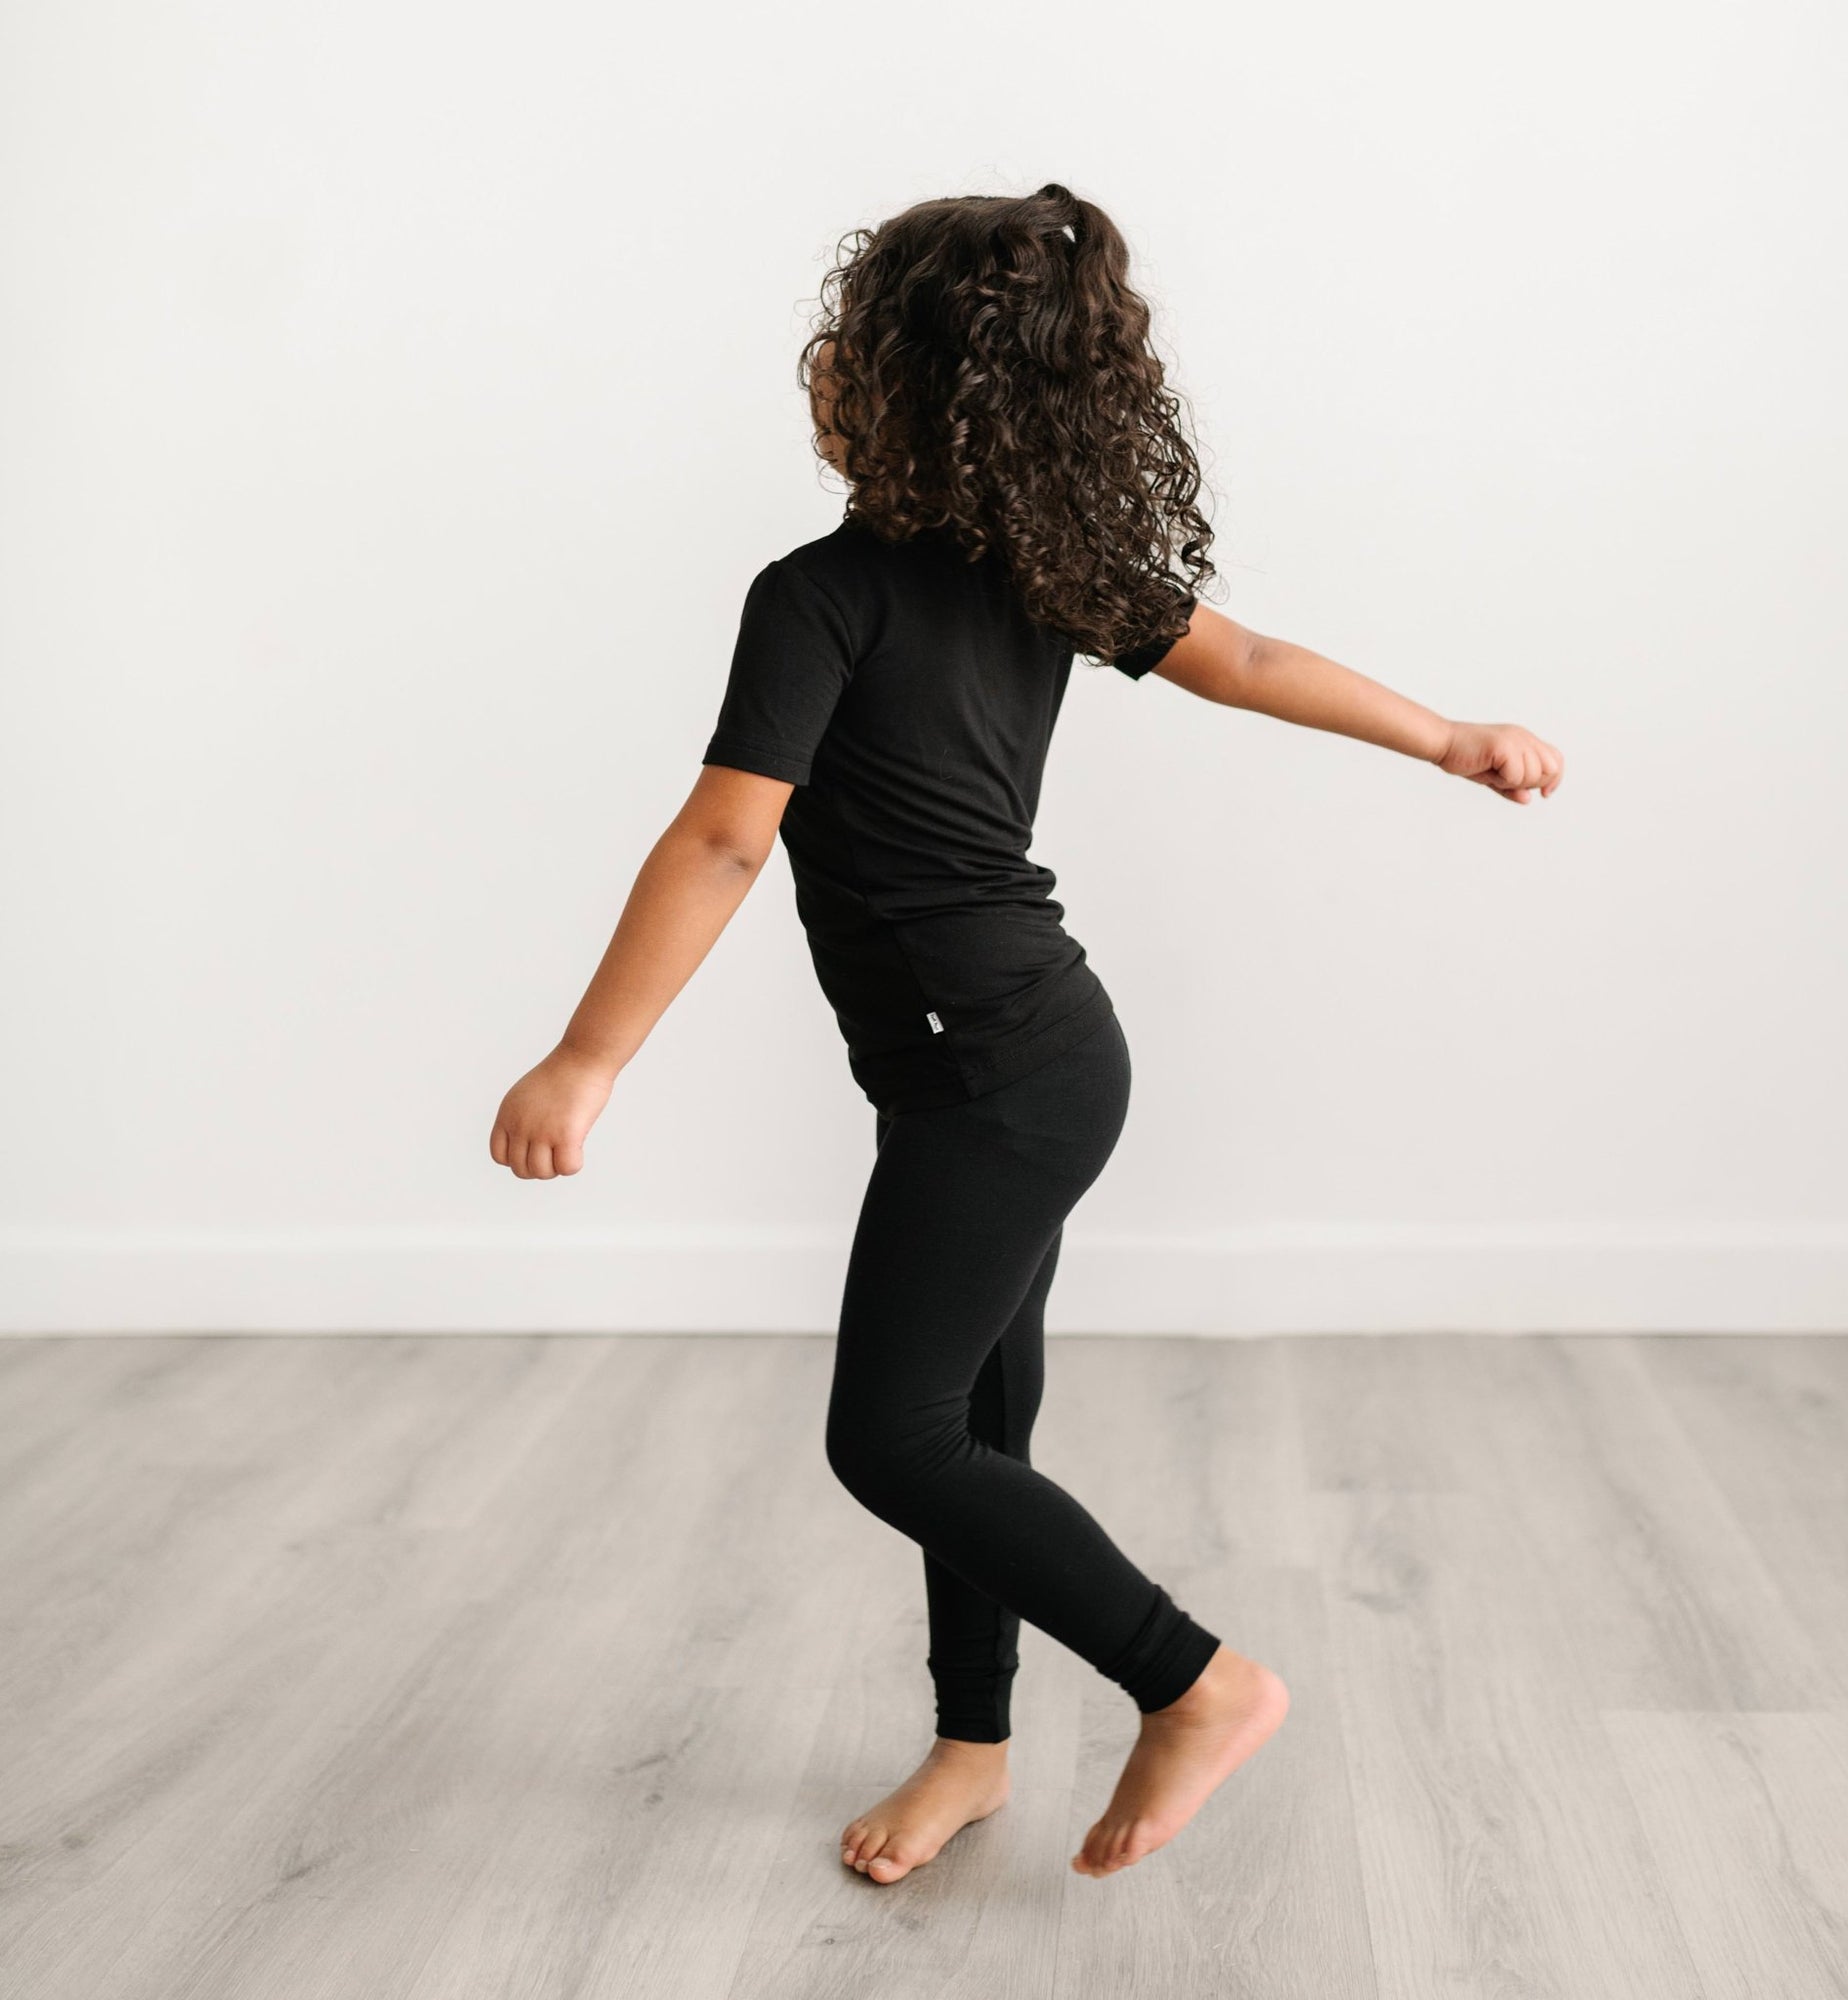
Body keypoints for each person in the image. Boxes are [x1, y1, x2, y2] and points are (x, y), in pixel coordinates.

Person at [489, 182, 1564, 1886]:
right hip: (1019, 1058)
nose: (818, 365)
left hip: (993, 1073)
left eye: (847, 344)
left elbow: (724, 840)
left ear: (902, 390)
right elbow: (1243, 656)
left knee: (892, 1438)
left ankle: (1192, 1681)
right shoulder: (1040, 565)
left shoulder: (819, 594)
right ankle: (974, 1749)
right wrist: (1444, 738)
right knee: (976, 1435)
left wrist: (588, 1057)